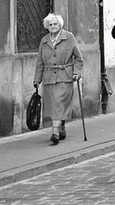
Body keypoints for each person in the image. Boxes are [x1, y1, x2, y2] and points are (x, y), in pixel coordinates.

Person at [33, 13, 84, 145]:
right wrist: (37, 79)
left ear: (60, 25)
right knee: (53, 105)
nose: (53, 26)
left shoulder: (69, 37)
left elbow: (78, 58)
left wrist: (77, 72)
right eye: (50, 24)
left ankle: (54, 132)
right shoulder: (44, 41)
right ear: (47, 27)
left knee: (59, 103)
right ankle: (61, 128)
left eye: (55, 24)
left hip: (65, 77)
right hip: (49, 78)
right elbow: (40, 62)